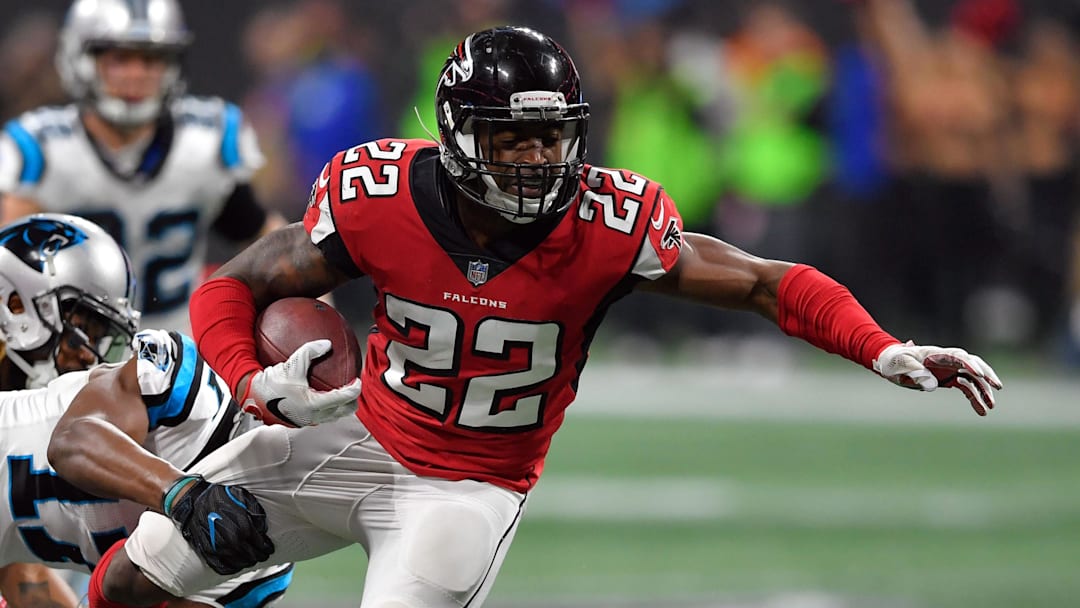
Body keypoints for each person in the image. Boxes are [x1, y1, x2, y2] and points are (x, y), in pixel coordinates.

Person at [86, 26, 1002, 608]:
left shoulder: (609, 224)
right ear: (456, 137)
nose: (537, 160)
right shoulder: (378, 195)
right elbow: (229, 288)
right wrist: (252, 384)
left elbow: (767, 281)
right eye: (513, 139)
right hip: (353, 436)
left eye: (552, 136)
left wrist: (881, 347)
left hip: (464, 494)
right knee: (130, 580)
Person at [0, 213, 293, 608]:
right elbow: (72, 443)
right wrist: (182, 494)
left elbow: (21, 569)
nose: (88, 354)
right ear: (15, 305)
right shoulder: (180, 385)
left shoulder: (264, 551)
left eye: (103, 338)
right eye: (84, 328)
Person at [0, 0, 286, 334]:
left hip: (181, 349)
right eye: (120, 59)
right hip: (70, 355)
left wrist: (312, 303)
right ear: (81, 59)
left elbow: (266, 240)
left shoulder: (203, 142)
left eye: (150, 59)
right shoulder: (43, 150)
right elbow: (10, 266)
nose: (136, 74)